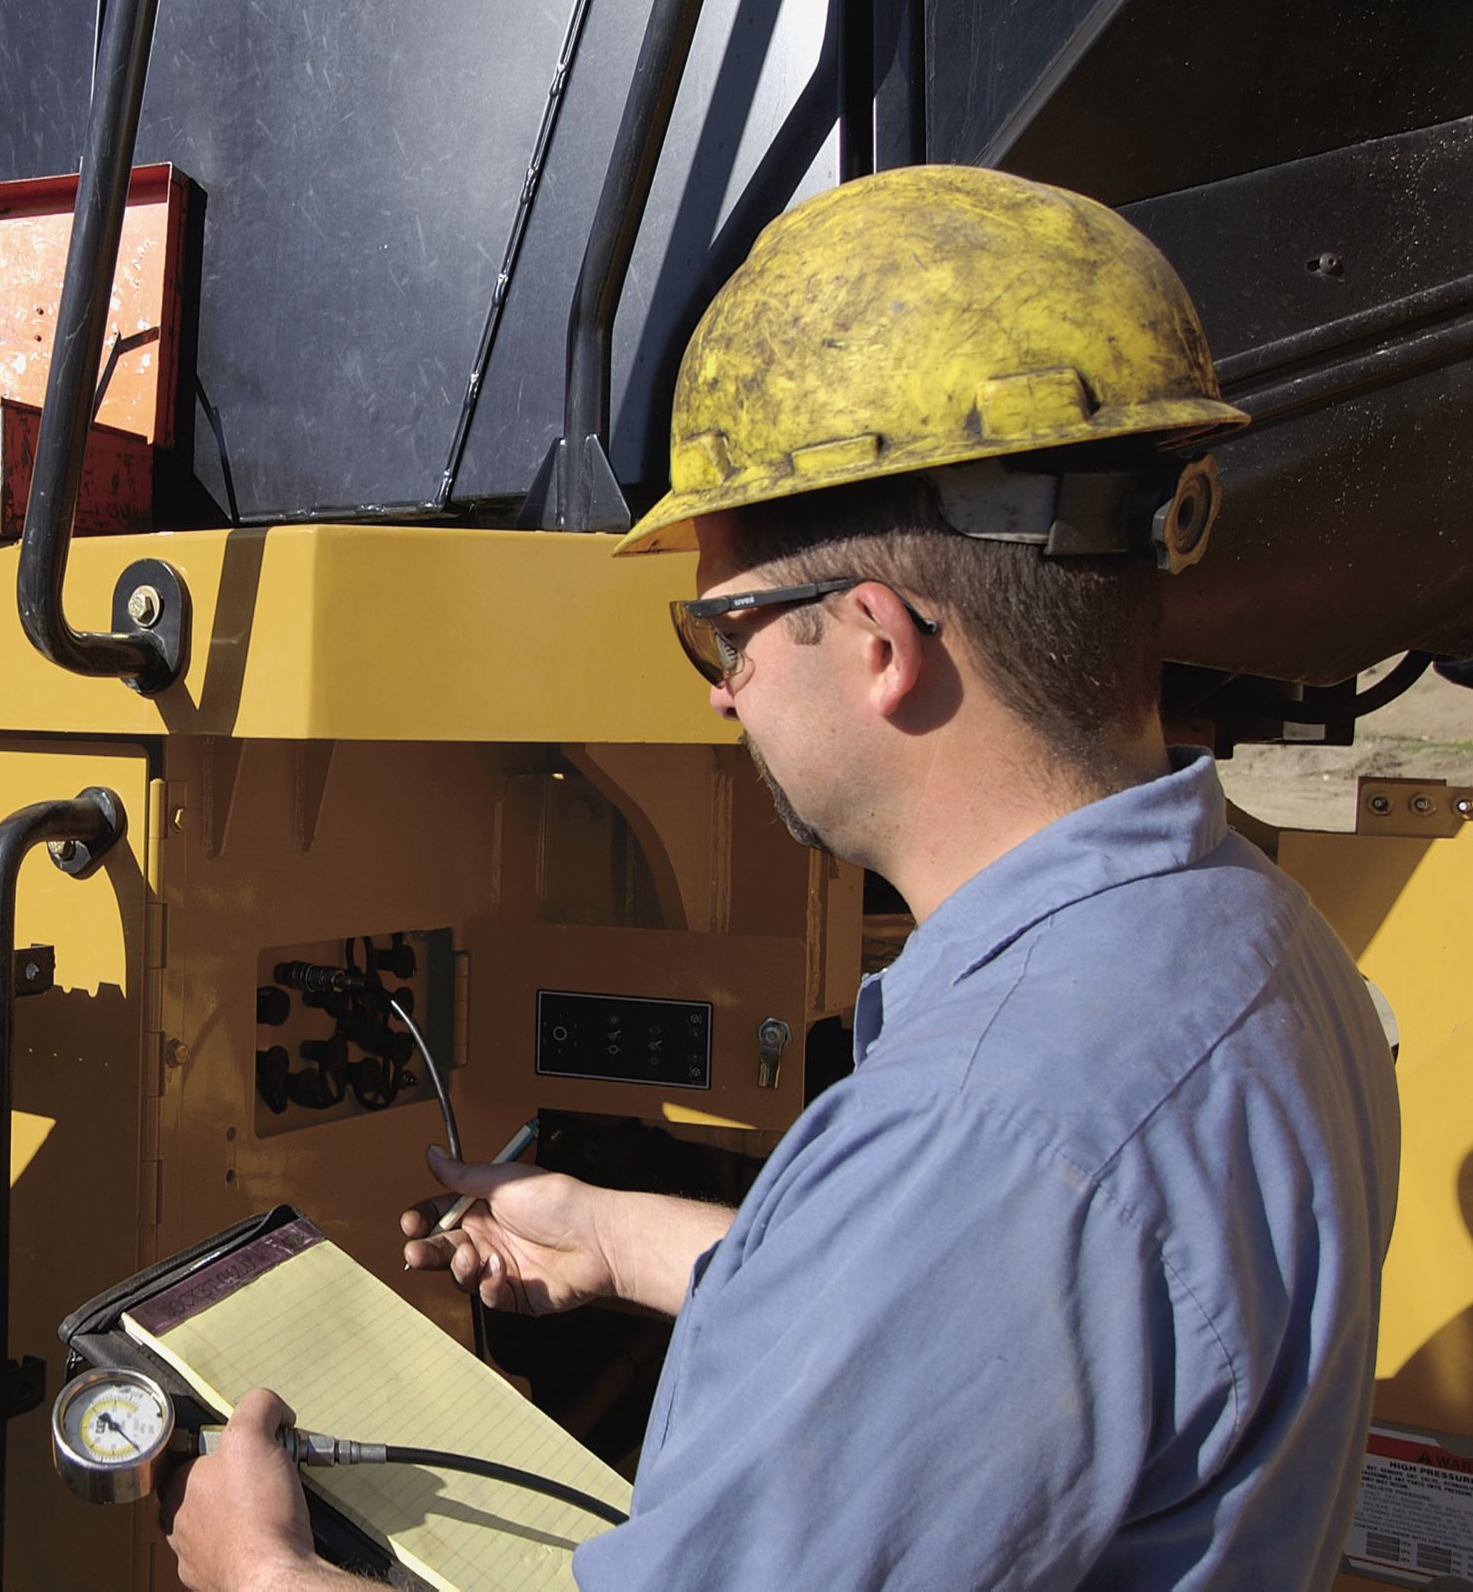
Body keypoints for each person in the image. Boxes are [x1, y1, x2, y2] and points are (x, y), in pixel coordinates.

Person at [163, 166, 1402, 1587]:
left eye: (724, 635)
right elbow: (996, 1321)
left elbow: (985, 1237)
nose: (721, 697)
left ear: (878, 643)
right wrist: (621, 1236)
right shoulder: (1254, 936)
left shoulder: (996, 1131)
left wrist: (260, 1569)